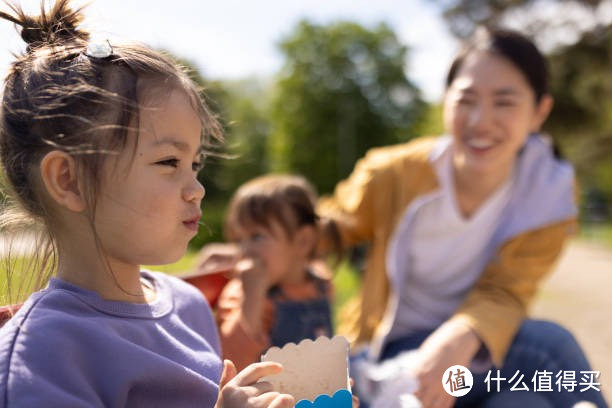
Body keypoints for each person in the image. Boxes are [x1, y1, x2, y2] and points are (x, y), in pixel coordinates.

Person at [0, 1, 295, 407]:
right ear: (69, 181)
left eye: (195, 164)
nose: (197, 189)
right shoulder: (42, 356)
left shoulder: (189, 306)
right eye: (169, 162)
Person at [318, 27, 608, 408]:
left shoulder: (549, 194)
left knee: (523, 404)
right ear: (445, 102)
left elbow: (509, 289)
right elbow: (323, 229)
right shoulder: (394, 175)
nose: (481, 120)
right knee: (549, 346)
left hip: (475, 354)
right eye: (467, 100)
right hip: (389, 361)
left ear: (539, 112)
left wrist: (462, 335)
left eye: (504, 102)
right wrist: (253, 244)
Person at [195, 174, 341, 372]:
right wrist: (252, 298)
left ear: (303, 241)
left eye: (256, 236)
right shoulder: (241, 292)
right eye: (238, 240)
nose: (244, 250)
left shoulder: (321, 283)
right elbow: (232, 364)